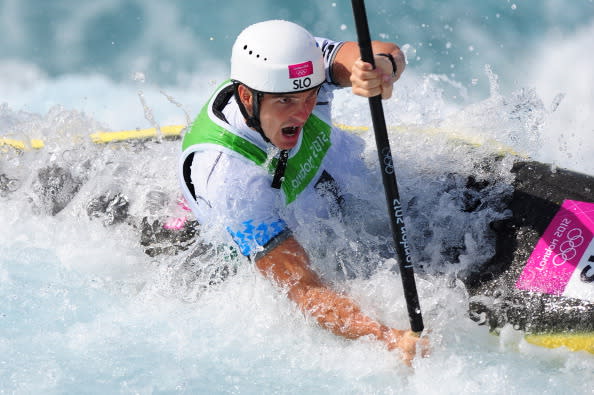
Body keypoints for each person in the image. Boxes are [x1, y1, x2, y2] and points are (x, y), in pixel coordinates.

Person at [178, 20, 427, 365]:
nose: (303, 111)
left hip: (351, 195)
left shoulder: (299, 68)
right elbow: (306, 290)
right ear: (248, 97)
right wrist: (387, 338)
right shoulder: (230, 181)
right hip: (294, 239)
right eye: (286, 101)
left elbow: (378, 52)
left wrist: (379, 68)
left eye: (310, 95)